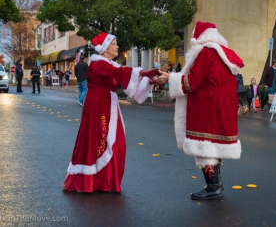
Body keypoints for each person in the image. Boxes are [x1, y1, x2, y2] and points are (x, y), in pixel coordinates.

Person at [62, 32, 160, 192]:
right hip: (98, 105)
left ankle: (105, 181)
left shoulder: (110, 64)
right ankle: (95, 181)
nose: (117, 46)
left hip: (108, 104)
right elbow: (121, 73)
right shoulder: (97, 64)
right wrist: (144, 72)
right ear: (105, 47)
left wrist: (149, 79)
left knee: (116, 142)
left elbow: (123, 76)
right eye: (114, 44)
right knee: (101, 141)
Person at [157, 21, 244, 200]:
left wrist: (169, 78)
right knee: (213, 146)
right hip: (221, 105)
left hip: (207, 106)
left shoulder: (206, 52)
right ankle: (216, 184)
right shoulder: (222, 52)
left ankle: (213, 187)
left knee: (206, 147)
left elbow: (192, 81)